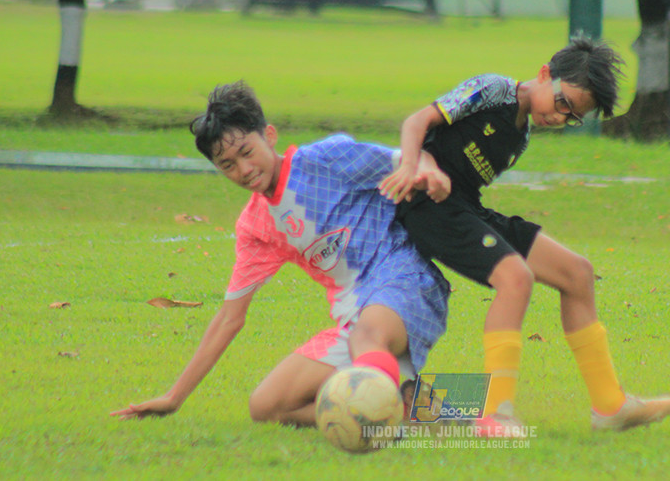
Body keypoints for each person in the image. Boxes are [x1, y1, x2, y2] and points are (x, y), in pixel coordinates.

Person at [379, 37, 670, 433]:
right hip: (428, 205)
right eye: (563, 103)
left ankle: (610, 406)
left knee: (577, 273)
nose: (561, 118)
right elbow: (417, 122)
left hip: (465, 207)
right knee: (515, 278)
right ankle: (494, 414)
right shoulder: (493, 90)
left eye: (572, 117)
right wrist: (413, 166)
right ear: (544, 74)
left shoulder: (520, 136)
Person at [112, 81, 451, 425]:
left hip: (408, 284)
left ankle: (376, 415)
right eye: (227, 165)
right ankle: (445, 412)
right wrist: (174, 397)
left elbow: (408, 159)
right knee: (267, 407)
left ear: (269, 136)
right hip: (354, 319)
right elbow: (230, 318)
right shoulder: (256, 226)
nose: (243, 170)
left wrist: (430, 172)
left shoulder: (326, 159)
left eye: (246, 152)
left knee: (366, 345)